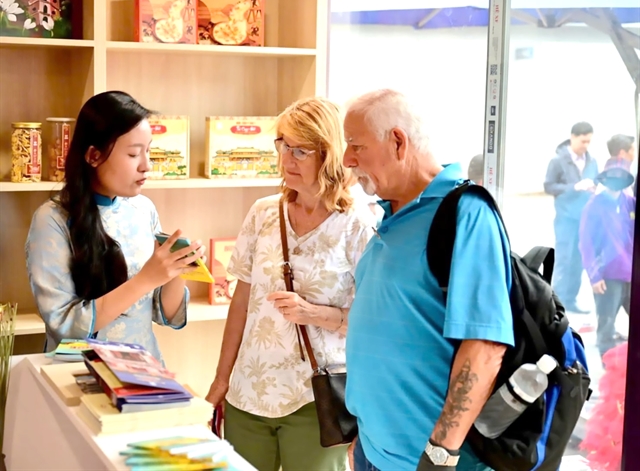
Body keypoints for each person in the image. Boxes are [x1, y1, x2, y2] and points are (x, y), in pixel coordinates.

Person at [342, 89, 513, 471]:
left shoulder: (466, 214)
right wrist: (366, 435)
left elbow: (485, 346)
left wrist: (440, 453)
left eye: (356, 145)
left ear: (398, 142)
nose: (346, 159)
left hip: (429, 462)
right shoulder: (389, 215)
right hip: (374, 451)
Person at [205, 97, 375, 471]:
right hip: (248, 394)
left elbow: (373, 323)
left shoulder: (358, 226)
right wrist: (221, 381)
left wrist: (314, 313)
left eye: (300, 150)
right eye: (282, 145)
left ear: (329, 154)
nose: (286, 160)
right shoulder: (263, 213)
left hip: (316, 400)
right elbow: (241, 303)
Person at [25, 91, 205, 362]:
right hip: (79, 372)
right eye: (133, 154)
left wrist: (177, 268)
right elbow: (64, 325)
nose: (147, 165)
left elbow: (165, 314)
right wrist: (146, 279)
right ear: (93, 156)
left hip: (142, 370)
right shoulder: (51, 219)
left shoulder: (143, 209)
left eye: (149, 151)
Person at [579, 158, 635, 360]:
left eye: (621, 176)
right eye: (613, 175)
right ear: (605, 178)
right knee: (606, 328)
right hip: (607, 278)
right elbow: (585, 243)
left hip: (631, 274)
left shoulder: (630, 203)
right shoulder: (594, 206)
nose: (616, 180)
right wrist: (594, 276)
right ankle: (608, 369)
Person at [543, 122, 599, 314]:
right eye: (583, 141)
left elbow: (597, 180)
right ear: (573, 137)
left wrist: (594, 187)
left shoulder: (592, 161)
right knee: (564, 260)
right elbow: (549, 186)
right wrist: (574, 187)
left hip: (585, 219)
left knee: (578, 260)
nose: (586, 145)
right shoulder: (558, 161)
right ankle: (557, 304)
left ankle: (571, 300)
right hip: (566, 219)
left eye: (589, 141)